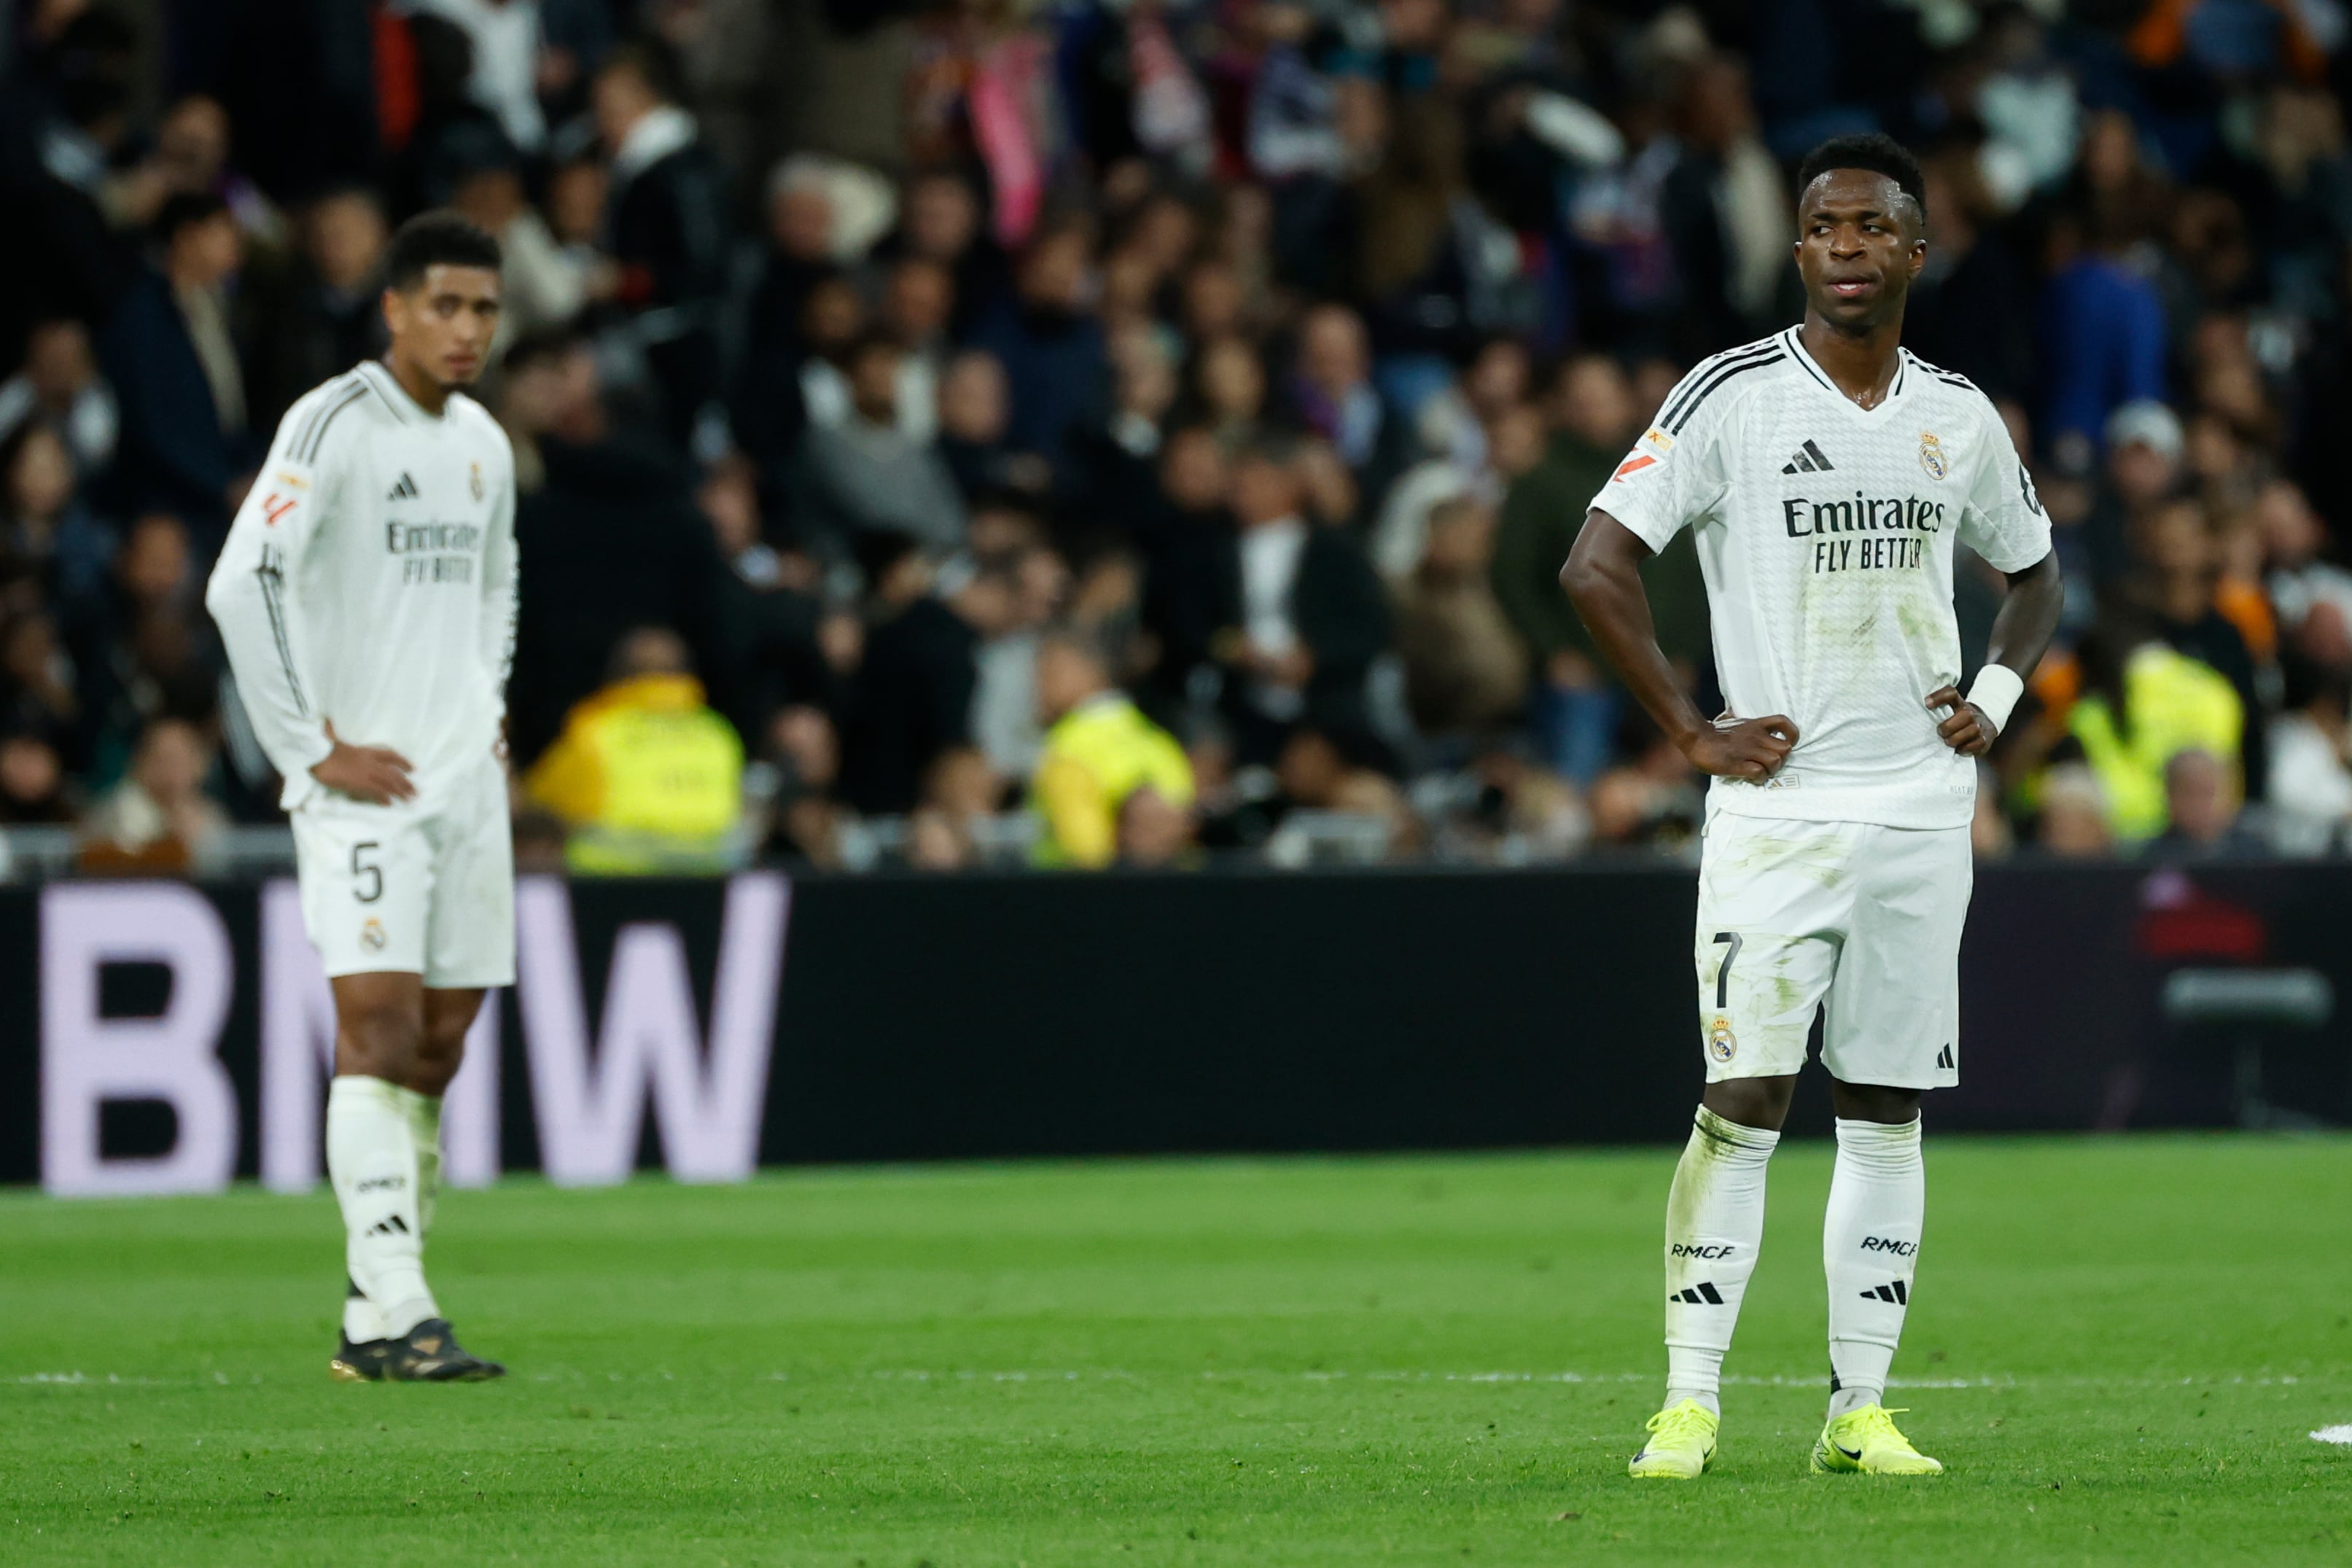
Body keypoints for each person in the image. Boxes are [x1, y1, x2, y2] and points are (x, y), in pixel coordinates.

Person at [1563, 135, 2063, 1481]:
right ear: (1797, 253)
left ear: (1915, 251)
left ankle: (1861, 1411)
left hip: (1914, 810)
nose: (1847, 245)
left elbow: (2034, 576)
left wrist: (1997, 700)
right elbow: (1596, 564)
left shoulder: (1956, 417)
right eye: (1824, 227)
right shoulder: (1728, 396)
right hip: (1779, 817)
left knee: (1887, 1107)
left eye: (1872, 225)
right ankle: (1688, 1403)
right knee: (1745, 1092)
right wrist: (1687, 729)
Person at [204, 211, 517, 1384]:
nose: (466, 328)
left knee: (436, 1045)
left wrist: (486, 707)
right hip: (365, 790)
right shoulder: (332, 421)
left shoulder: (484, 444)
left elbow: (498, 587)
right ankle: (400, 1304)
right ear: (393, 307)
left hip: (463, 788)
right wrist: (309, 745)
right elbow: (243, 583)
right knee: (376, 1028)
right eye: (445, 304)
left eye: (484, 308)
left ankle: (372, 1311)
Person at [525, 625, 745, 873]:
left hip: (613, 889)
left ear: (615, 675)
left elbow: (537, 804)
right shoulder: (718, 734)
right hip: (712, 886)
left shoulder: (596, 734)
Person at [1029, 624, 1195, 868]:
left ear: (1091, 671)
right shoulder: (1163, 744)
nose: (1039, 688)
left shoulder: (1066, 748)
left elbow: (1084, 854)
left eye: (1050, 673)